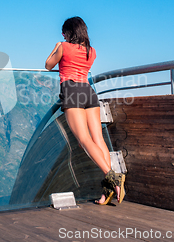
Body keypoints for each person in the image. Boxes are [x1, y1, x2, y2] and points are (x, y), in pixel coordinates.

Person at [45, 16, 124, 205]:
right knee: (98, 140)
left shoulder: (63, 46)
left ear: (68, 32)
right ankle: (108, 189)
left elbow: (48, 65)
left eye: (64, 32)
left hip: (72, 91)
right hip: (89, 92)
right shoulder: (92, 51)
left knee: (84, 140)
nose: (62, 35)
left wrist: (57, 45)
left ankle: (113, 177)